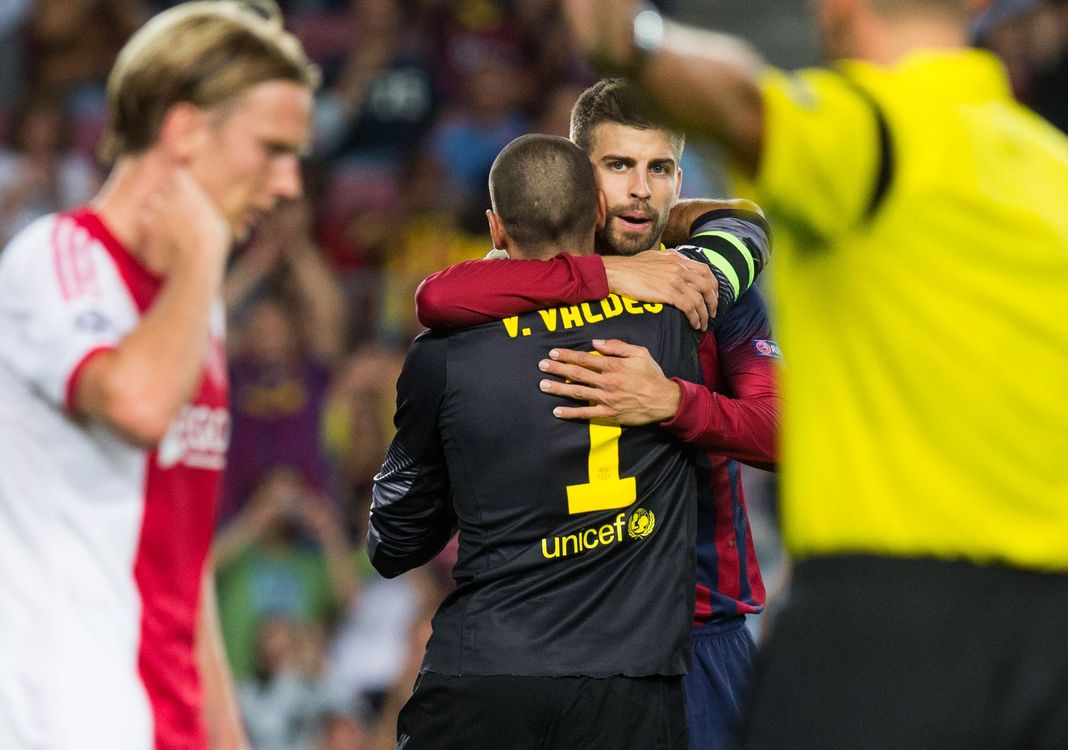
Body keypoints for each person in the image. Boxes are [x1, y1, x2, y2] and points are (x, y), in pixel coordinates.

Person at [562, 1, 1068, 748]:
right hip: (1055, 643)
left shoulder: (861, 131)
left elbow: (736, 100)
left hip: (880, 634)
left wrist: (632, 40)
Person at [367, 133, 767, 749]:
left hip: (489, 670)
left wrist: (466, 467)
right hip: (630, 679)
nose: (640, 186)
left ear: (496, 229)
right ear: (598, 212)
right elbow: (744, 232)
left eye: (657, 169)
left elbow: (394, 542)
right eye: (620, 167)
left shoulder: (444, 352)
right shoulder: (678, 316)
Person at [0, 3, 318, 748]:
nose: (289, 185)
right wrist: (204, 250)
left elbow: (185, 559)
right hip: (64, 722)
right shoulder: (55, 257)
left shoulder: (188, 305)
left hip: (168, 724)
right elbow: (135, 403)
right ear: (184, 132)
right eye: (271, 149)